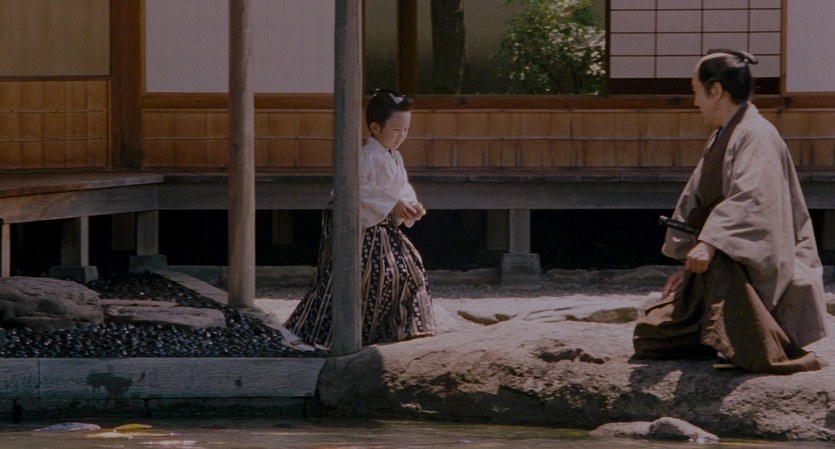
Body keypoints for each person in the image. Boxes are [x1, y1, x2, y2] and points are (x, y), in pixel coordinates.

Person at [632, 49, 829, 374]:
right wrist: (691, 266)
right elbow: (699, 198)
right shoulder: (724, 135)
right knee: (651, 335)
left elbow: (753, 199)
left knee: (721, 307)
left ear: (716, 90)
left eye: (696, 91)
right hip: (725, 258)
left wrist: (710, 244)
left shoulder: (758, 134)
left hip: (751, 264)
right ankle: (723, 336)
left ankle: (749, 338)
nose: (695, 101)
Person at [285, 88, 435, 348]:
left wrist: (410, 205)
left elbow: (401, 187)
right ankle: (321, 333)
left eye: (406, 130)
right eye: (396, 130)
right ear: (375, 128)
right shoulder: (367, 156)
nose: (401, 135)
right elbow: (353, 187)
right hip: (360, 229)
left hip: (381, 227)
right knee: (354, 280)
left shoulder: (394, 157)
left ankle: (398, 329)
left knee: (408, 270)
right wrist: (393, 204)